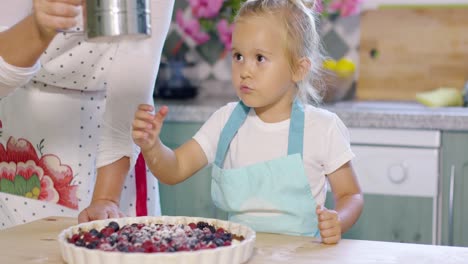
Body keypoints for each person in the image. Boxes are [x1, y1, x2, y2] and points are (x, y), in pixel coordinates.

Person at [132, 0, 363, 244]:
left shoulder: (322, 128)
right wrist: (152, 146)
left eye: (260, 58)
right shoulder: (226, 121)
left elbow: (351, 194)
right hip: (240, 254)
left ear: (298, 69)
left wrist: (338, 219)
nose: (245, 70)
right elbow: (175, 168)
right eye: (238, 56)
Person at [0, 0, 174, 229]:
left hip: (115, 152)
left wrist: (106, 199)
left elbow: (129, 91)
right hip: (21, 129)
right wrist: (37, 28)